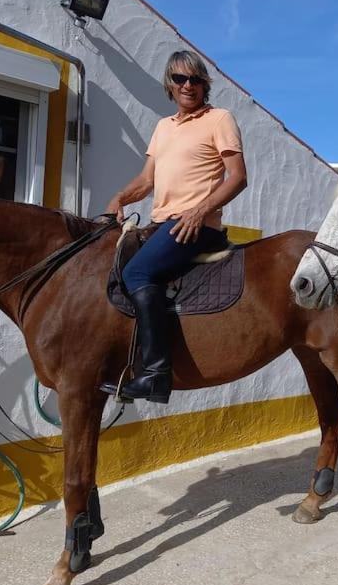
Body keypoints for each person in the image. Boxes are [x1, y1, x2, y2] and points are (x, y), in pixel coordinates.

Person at [106, 50, 248, 403]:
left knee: (137, 274)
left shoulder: (219, 120)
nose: (188, 85)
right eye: (180, 79)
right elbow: (146, 180)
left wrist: (200, 212)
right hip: (162, 224)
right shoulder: (162, 128)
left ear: (205, 85)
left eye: (195, 79)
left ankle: (155, 373)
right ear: (169, 85)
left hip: (196, 227)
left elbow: (238, 177)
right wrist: (120, 199)